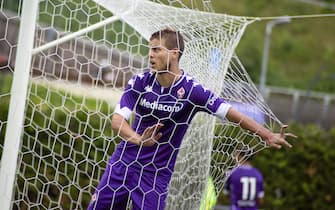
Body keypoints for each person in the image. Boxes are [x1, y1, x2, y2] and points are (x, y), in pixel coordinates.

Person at [87, 28, 293, 210]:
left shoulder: (192, 91)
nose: (150, 55)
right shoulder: (140, 82)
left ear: (174, 53)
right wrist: (139, 139)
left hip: (154, 176)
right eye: (150, 49)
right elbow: (117, 121)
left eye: (157, 49)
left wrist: (266, 135)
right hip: (122, 165)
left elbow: (230, 112)